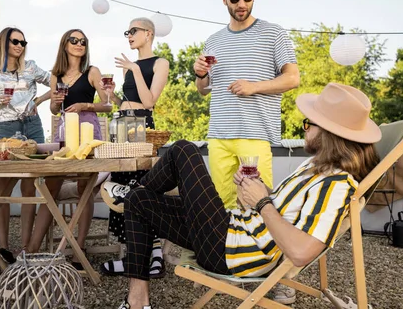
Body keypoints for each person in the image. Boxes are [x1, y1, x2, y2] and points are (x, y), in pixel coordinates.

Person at [114, 83, 382, 309]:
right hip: (232, 230)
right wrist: (261, 190)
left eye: (308, 123)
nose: (304, 129)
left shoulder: (336, 185)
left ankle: (126, 192)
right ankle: (137, 301)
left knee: (183, 151)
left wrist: (261, 202)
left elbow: (301, 252)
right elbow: (285, 211)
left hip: (230, 249)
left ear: (329, 132)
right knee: (139, 201)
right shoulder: (315, 168)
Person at [193, 0, 300, 210]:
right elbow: (204, 90)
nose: (242, 3)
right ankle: (229, 249)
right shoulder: (213, 40)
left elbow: (293, 78)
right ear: (224, 0)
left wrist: (254, 87)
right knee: (222, 204)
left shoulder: (274, 33)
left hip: (255, 133)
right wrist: (200, 74)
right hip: (219, 135)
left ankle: (260, 249)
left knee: (257, 202)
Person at [25, 28, 112, 269]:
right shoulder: (57, 75)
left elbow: (107, 105)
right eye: (74, 40)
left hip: (88, 135)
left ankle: (78, 250)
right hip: (64, 135)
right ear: (65, 44)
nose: (79, 44)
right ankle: (31, 249)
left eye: (83, 41)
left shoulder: (92, 72)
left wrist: (86, 104)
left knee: (85, 186)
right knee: (50, 185)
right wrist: (53, 103)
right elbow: (55, 111)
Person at [99, 17, 170, 278]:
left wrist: (136, 70)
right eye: (126, 31)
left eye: (133, 31)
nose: (128, 35)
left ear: (148, 34)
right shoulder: (129, 68)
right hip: (121, 125)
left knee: (140, 186)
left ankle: (155, 253)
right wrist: (113, 95)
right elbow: (126, 102)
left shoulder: (160, 63)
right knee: (121, 187)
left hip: (142, 126)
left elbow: (149, 101)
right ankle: (134, 255)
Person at [0, 27, 51, 264]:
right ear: (4, 42)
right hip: (6, 129)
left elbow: (55, 80)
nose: (20, 45)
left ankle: (26, 246)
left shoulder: (30, 67)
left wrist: (38, 100)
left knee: (29, 188)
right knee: (4, 190)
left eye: (23, 42)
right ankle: (4, 247)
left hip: (33, 126)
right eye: (15, 41)